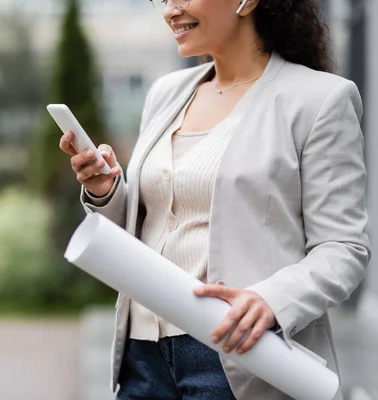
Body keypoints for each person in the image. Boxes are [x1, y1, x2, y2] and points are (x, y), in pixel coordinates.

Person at [59, 0, 370, 399]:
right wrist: (106, 190)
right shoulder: (166, 93)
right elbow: (152, 227)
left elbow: (344, 248)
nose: (170, 10)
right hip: (142, 354)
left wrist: (271, 300)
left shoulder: (320, 99)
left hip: (236, 357)